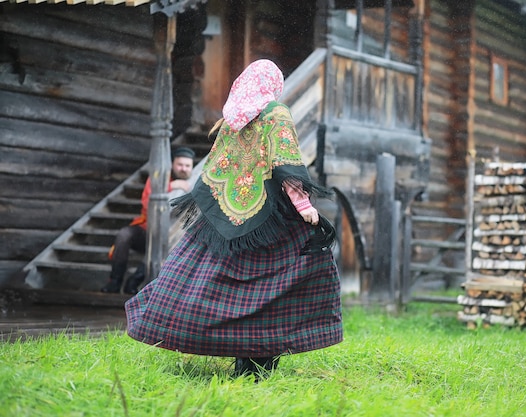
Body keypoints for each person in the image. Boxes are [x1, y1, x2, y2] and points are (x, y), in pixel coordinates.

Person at [125, 59, 343, 379]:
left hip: (226, 217)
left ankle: (239, 358)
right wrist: (305, 207)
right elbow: (285, 164)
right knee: (281, 285)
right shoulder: (275, 113)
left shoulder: (232, 119)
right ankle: (258, 363)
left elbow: (218, 168)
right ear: (273, 85)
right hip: (273, 222)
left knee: (215, 288)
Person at [100, 147, 196, 295]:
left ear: (192, 167)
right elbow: (147, 202)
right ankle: (114, 281)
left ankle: (134, 281)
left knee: (161, 242)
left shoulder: (195, 181)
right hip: (147, 228)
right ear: (172, 164)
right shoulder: (159, 178)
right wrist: (171, 186)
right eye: (180, 165)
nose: (183, 169)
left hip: (172, 237)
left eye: (187, 166)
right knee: (124, 235)